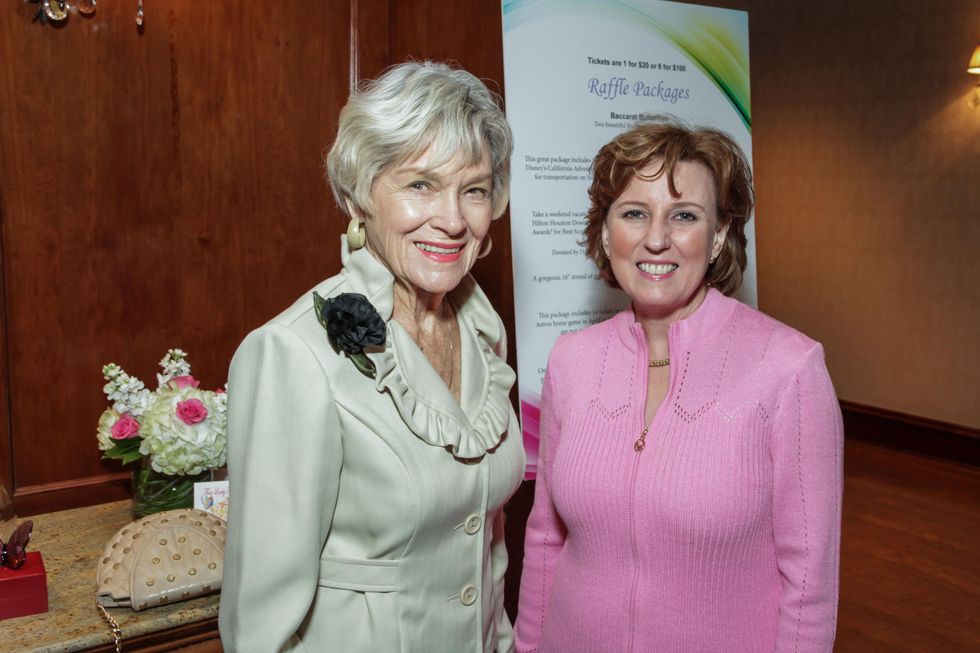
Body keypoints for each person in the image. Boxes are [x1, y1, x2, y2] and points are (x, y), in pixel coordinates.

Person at [219, 61, 525, 653]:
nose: (453, 220)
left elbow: (485, 549)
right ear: (361, 195)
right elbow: (258, 628)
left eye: (474, 190)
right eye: (420, 185)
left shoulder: (483, 334)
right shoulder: (291, 353)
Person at [515, 119, 843, 652]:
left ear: (718, 236)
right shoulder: (571, 360)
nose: (656, 238)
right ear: (606, 232)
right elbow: (546, 537)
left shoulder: (789, 370)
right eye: (634, 213)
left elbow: (809, 584)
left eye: (684, 215)